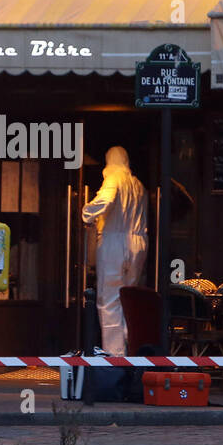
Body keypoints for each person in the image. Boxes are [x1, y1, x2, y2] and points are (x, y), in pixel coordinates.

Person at [82, 146, 148, 356]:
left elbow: (105, 200)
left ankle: (114, 357)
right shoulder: (138, 185)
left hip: (114, 240)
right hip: (138, 243)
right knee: (128, 299)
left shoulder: (114, 178)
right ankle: (131, 351)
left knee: (110, 299)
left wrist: (86, 213)